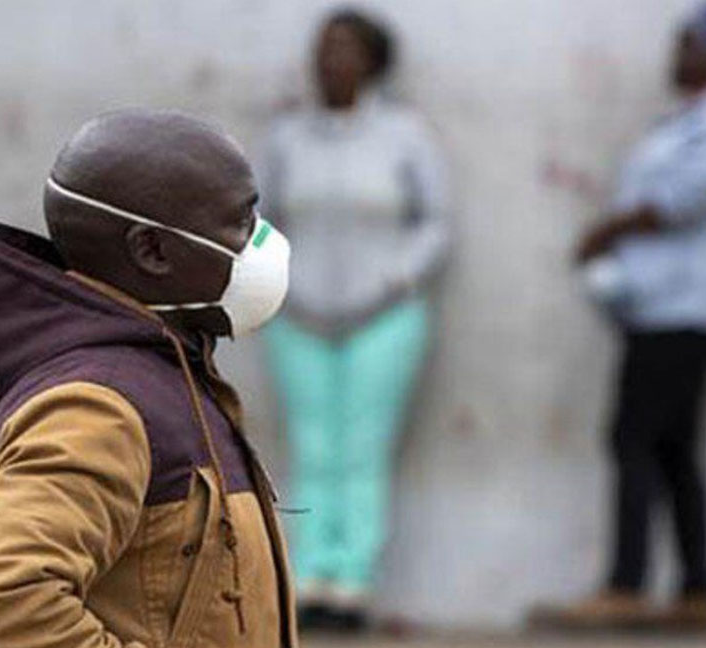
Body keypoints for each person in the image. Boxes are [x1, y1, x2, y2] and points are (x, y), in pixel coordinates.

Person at [0, 109, 298, 648]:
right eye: (240, 222)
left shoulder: (170, 372)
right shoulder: (97, 407)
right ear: (153, 250)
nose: (261, 242)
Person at [535, 2, 706, 628]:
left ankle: (626, 584)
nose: (675, 54)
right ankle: (698, 589)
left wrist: (607, 230)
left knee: (634, 436)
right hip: (665, 300)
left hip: (691, 303)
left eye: (687, 43)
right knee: (673, 445)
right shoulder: (691, 118)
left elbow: (684, 198)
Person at [258, 8, 451, 632]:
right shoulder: (287, 136)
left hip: (385, 317)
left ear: (372, 61)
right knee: (313, 447)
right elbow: (258, 218)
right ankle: (309, 578)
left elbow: (435, 221)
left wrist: (396, 279)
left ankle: (352, 583)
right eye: (322, 49)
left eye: (343, 50)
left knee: (362, 449)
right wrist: (282, 285)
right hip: (299, 316)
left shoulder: (405, 134)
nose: (329, 61)